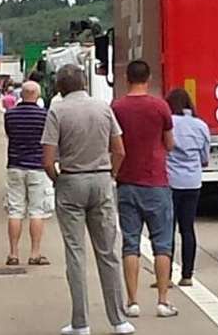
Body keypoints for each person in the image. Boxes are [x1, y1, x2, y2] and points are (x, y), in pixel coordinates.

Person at [42, 65, 134, 335]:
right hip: (101, 179)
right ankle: (119, 320)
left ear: (60, 86)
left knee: (75, 253)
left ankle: (81, 323)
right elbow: (119, 149)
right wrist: (112, 174)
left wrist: (58, 180)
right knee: (108, 252)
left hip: (71, 180)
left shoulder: (57, 110)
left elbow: (48, 159)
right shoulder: (103, 108)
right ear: (84, 83)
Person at [112, 60, 178, 318]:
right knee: (162, 245)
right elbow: (170, 144)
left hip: (127, 181)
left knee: (130, 244)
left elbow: (113, 143)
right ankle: (162, 301)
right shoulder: (160, 106)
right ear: (148, 78)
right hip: (156, 182)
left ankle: (132, 302)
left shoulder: (117, 107)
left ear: (127, 79)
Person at [4, 81, 53, 266]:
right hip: (38, 168)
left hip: (15, 165)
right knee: (36, 211)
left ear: (21, 95)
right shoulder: (45, 115)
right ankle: (35, 253)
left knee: (15, 211)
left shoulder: (10, 115)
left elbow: (9, 135)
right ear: (38, 95)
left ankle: (13, 253)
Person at [166, 89, 210, 287]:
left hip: (170, 182)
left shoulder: (168, 124)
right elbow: (205, 159)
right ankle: (187, 275)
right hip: (192, 183)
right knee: (187, 228)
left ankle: (165, 276)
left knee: (167, 229)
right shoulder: (201, 126)